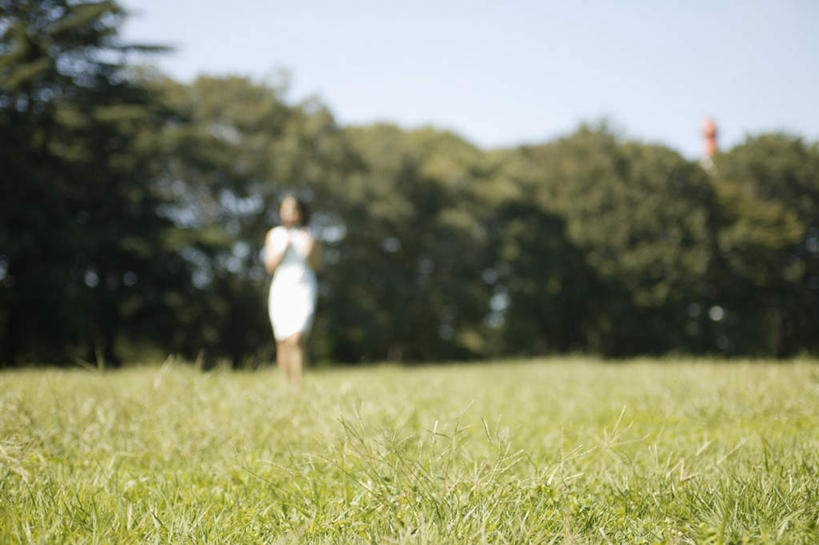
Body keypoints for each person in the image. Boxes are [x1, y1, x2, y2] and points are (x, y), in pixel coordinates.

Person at [264, 194, 319, 387]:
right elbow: (270, 266)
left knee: (296, 339)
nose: (290, 213)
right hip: (281, 288)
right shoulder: (274, 234)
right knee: (283, 340)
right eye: (285, 209)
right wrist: (283, 248)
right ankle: (285, 385)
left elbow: (317, 265)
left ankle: (298, 386)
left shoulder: (309, 234)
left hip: (304, 287)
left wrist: (310, 249)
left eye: (294, 209)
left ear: (301, 212)